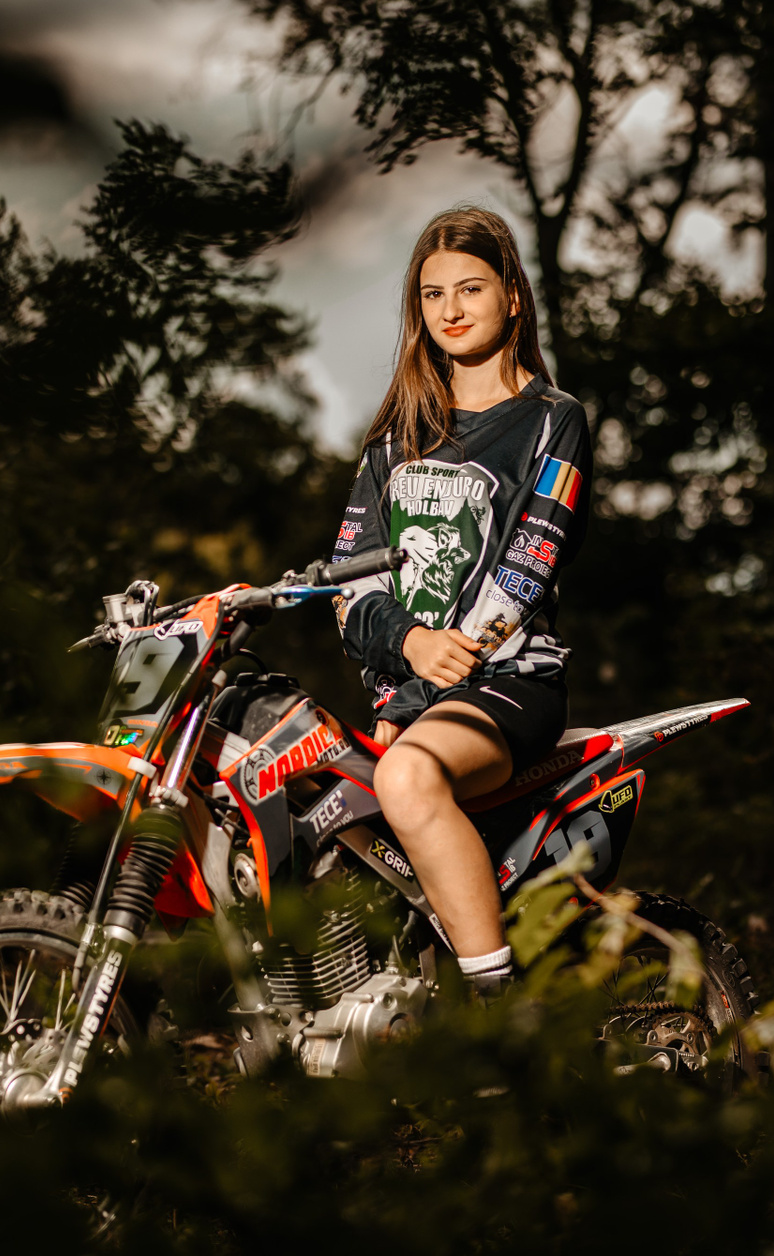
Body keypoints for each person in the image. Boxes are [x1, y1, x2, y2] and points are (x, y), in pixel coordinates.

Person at [332, 206, 591, 994]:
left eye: (470, 288)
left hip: (508, 683)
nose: (450, 309)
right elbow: (348, 579)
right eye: (432, 293)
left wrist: (425, 681)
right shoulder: (395, 436)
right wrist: (407, 647)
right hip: (409, 689)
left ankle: (495, 1009)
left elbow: (530, 564)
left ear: (513, 295)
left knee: (406, 780)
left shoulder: (553, 421)